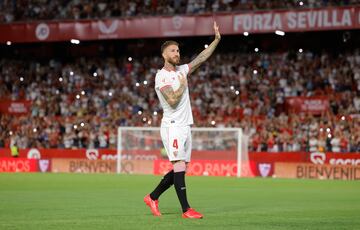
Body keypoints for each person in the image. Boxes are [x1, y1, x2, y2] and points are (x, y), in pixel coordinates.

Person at [144, 21, 221, 219]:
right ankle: (186, 210)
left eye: (178, 50)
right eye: (172, 51)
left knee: (181, 169)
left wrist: (216, 41)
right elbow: (171, 98)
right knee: (179, 167)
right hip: (172, 127)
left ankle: (152, 197)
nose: (177, 53)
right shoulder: (161, 76)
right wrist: (182, 85)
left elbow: (200, 59)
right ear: (164, 55)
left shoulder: (181, 71)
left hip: (185, 126)